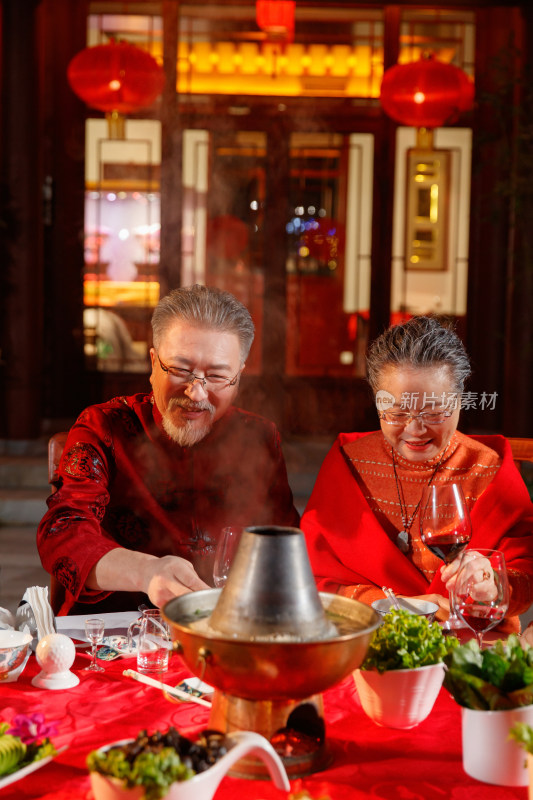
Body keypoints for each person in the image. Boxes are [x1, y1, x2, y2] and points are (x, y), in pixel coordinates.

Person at [37, 284, 300, 615]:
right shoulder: (105, 427)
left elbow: (286, 545)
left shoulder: (259, 437)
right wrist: (145, 572)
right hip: (113, 633)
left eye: (218, 376)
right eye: (179, 370)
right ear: (153, 363)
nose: (196, 393)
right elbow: (63, 531)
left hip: (223, 631)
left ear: (238, 377)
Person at [301, 316, 533, 631]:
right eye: (396, 412)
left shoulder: (487, 469)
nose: (415, 430)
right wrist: (401, 608)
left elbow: (525, 574)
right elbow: (313, 577)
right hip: (368, 635)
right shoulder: (349, 464)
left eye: (435, 412)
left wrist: (491, 581)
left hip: (471, 642)